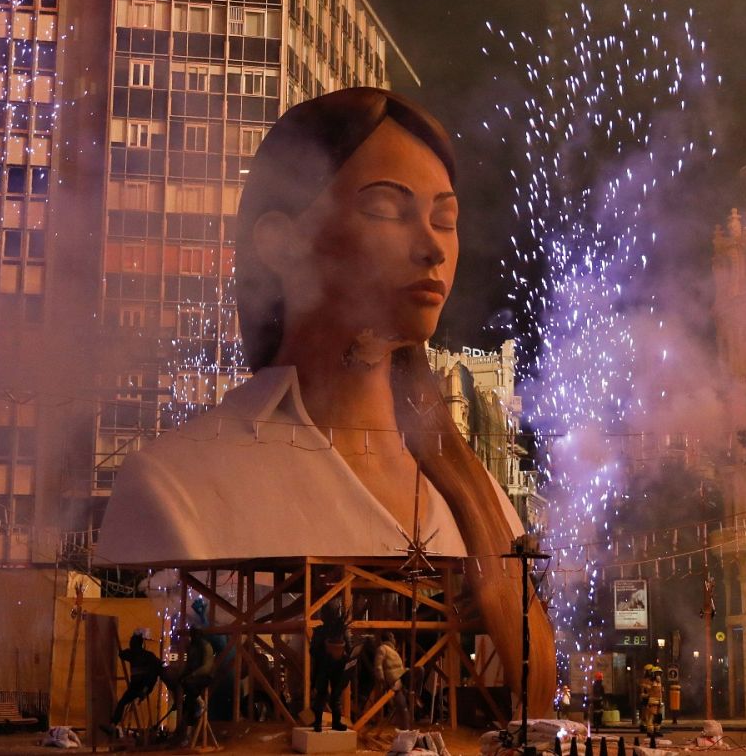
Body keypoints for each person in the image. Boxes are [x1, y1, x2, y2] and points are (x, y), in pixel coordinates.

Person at [97, 88, 556, 713]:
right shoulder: (175, 483)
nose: (434, 247)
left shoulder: (484, 507)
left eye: (445, 219)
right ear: (281, 242)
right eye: (389, 210)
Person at [110, 629, 164, 730]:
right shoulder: (145, 655)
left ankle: (113, 724)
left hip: (142, 686)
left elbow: (122, 654)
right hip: (138, 687)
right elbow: (122, 654)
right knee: (122, 702)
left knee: (122, 702)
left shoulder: (138, 655)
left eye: (132, 642)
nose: (131, 644)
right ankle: (113, 724)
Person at [310, 626, 351, 732]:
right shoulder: (342, 630)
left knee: (323, 695)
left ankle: (320, 723)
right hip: (335, 665)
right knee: (332, 696)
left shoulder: (319, 630)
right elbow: (350, 650)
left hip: (325, 665)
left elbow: (313, 650)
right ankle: (332, 722)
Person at [177, 626, 216, 738]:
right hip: (193, 677)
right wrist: (183, 675)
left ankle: (201, 703)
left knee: (188, 684)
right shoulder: (192, 647)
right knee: (189, 704)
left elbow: (207, 667)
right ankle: (188, 736)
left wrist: (192, 675)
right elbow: (189, 664)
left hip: (205, 676)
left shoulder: (205, 646)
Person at [374, 632, 410, 729]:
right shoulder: (382, 649)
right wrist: (382, 681)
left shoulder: (392, 650)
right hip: (394, 680)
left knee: (403, 706)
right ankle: (406, 731)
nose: (395, 639)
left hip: (401, 678)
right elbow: (378, 667)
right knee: (402, 706)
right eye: (393, 637)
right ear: (389, 637)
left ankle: (414, 693)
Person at [639, 665, 664, 736]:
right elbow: (647, 692)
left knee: (659, 718)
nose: (658, 676)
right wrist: (644, 696)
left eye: (659, 674)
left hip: (659, 703)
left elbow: (660, 693)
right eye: (657, 674)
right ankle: (650, 731)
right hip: (652, 702)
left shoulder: (659, 683)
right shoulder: (650, 682)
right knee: (650, 717)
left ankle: (657, 730)